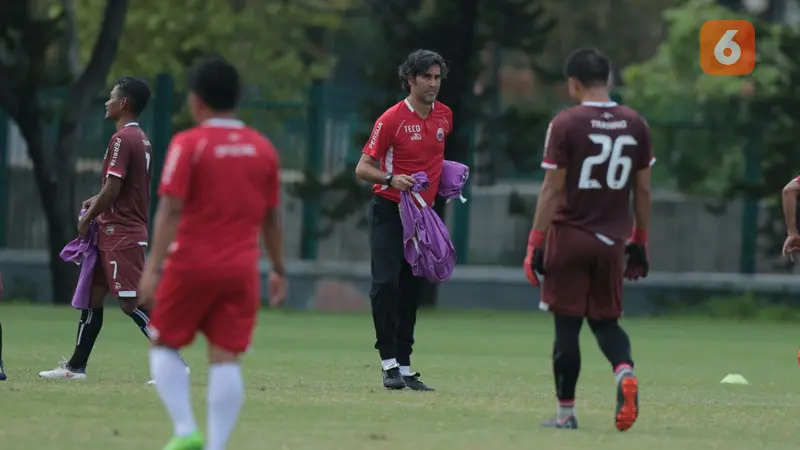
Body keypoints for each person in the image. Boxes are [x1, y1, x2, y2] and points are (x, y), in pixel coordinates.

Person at [139, 56, 288, 450]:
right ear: (237, 98)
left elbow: (170, 209)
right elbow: (272, 219)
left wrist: (152, 270)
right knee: (226, 358)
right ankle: (217, 445)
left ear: (197, 101)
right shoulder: (263, 149)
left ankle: (186, 429)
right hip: (240, 268)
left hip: (190, 264)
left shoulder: (189, 143)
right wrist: (278, 269)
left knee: (164, 343)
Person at [524, 48, 653, 431]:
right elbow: (643, 191)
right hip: (613, 241)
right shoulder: (636, 124)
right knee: (606, 322)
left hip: (570, 236)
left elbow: (552, 188)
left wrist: (535, 241)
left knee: (567, 327)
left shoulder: (565, 123)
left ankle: (565, 414)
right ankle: (624, 371)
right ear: (608, 80)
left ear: (573, 84)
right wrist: (640, 239)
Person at [39, 77, 168, 381]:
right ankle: (75, 367)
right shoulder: (142, 139)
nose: (106, 102)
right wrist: (96, 201)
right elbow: (120, 190)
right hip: (116, 230)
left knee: (130, 302)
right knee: (93, 296)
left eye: (111, 97)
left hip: (121, 233)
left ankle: (173, 362)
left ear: (124, 103)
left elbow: (113, 188)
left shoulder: (122, 140)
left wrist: (87, 218)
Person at [354, 49, 453, 391]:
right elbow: (362, 167)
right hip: (390, 211)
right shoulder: (392, 118)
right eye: (426, 77)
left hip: (424, 218)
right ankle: (388, 362)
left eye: (437, 77)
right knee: (385, 285)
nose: (433, 84)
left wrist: (450, 178)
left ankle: (406, 367)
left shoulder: (444, 117)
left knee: (412, 289)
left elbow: (433, 159)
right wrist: (391, 178)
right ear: (411, 79)